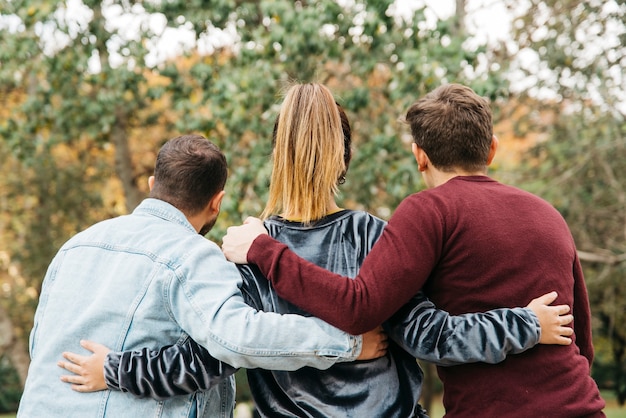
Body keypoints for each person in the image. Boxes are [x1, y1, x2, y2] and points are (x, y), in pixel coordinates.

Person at [59, 85, 573, 417]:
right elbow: (431, 337)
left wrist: (117, 369)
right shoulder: (376, 236)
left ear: (276, 156)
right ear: (344, 158)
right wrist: (524, 325)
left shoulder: (242, 251)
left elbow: (205, 357)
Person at [221, 84, 606, 417]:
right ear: (492, 150)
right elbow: (582, 345)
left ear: (419, 154)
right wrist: (528, 324)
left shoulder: (243, 246)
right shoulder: (549, 215)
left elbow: (365, 312)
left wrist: (263, 250)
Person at [17, 134, 389, 418]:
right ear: (217, 202)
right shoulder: (193, 254)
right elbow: (241, 338)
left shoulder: (77, 245)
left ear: (151, 185)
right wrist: (348, 343)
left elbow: (41, 343)